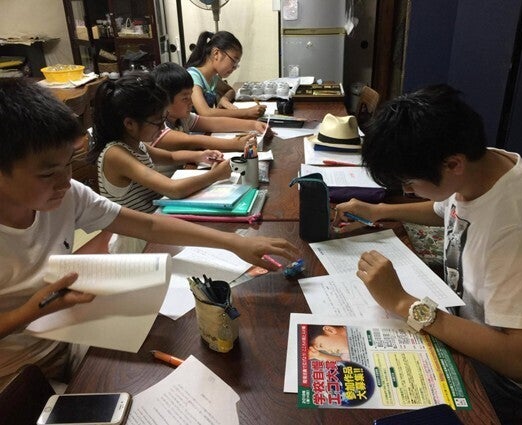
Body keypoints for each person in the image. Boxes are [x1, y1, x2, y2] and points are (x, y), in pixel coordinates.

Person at [0, 78, 299, 386]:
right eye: (48, 173)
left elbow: (149, 224)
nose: (65, 182)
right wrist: (32, 310)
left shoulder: (68, 195)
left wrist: (233, 243)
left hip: (72, 335)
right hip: (16, 375)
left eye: (68, 165)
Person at [333, 84, 522, 423]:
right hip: (467, 324)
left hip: (510, 383)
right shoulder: (478, 165)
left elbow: (521, 362)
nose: (407, 192)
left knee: (366, 394)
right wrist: (379, 211)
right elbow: (443, 208)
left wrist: (403, 302)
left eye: (409, 183)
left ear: (453, 164)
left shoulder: (518, 222)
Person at [89, 72, 234, 252]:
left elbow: (170, 157)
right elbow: (174, 189)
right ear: (130, 124)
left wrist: (199, 156)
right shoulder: (115, 154)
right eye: (157, 122)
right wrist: (215, 175)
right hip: (137, 241)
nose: (161, 127)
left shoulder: (135, 144)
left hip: (155, 225)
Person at [151, 62, 271, 153]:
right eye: (185, 98)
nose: (191, 102)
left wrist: (253, 125)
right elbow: (195, 141)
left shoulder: (181, 117)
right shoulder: (156, 128)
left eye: (191, 95)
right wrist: (234, 144)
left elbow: (214, 123)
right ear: (164, 100)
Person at [185, 31, 266, 119]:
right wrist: (247, 112)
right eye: (234, 61)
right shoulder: (194, 77)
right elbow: (205, 112)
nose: (234, 67)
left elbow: (230, 91)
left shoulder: (213, 78)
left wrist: (224, 99)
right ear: (216, 53)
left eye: (237, 64)